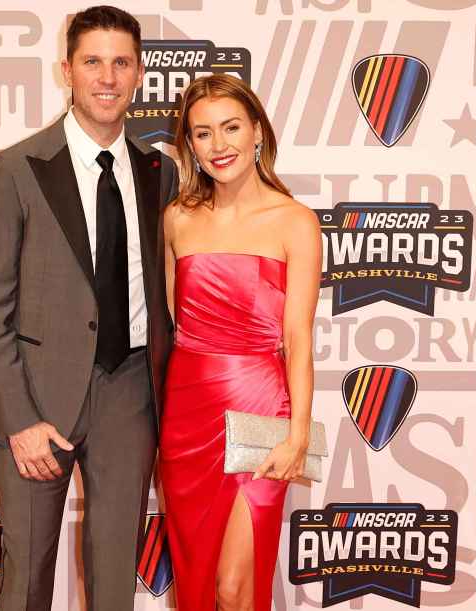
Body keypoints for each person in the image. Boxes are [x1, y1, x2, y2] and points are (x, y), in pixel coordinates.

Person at [0, 6, 178, 610]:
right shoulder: (15, 169)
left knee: (115, 588)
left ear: (138, 73)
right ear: (67, 70)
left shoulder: (161, 171)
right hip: (37, 401)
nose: (106, 77)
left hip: (129, 395)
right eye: (92, 62)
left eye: (120, 63)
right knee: (26, 583)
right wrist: (20, 418)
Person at [159, 74, 321, 611]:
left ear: (257, 132)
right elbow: (170, 323)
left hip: (259, 410)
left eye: (231, 127)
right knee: (197, 581)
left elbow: (298, 337)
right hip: (186, 414)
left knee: (235, 588)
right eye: (203, 134)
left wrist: (298, 435)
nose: (219, 145)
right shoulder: (178, 219)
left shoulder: (294, 222)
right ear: (190, 145)